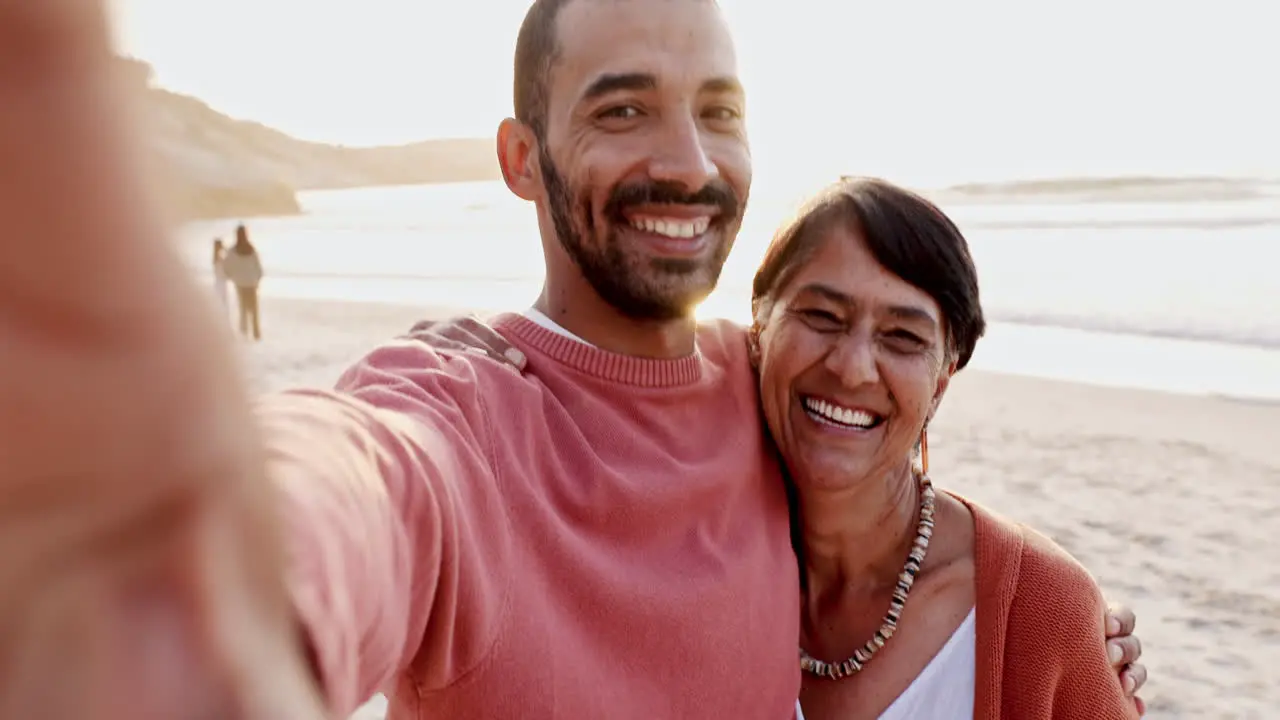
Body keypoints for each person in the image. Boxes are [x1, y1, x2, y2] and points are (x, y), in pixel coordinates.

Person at [0, 2, 1146, 719]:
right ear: (518, 156)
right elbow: (357, 478)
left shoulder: (764, 386)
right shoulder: (456, 414)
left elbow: (867, 433)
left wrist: (1051, 614)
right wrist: (216, 586)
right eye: (621, 110)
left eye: (718, 110)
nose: (686, 162)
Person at [747, 178, 1140, 719]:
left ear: (941, 381)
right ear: (759, 325)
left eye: (903, 337)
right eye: (821, 316)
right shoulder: (692, 560)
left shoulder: (1042, 611)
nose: (852, 367)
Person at [222, 223, 263, 341]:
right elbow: (258, 266)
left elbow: (226, 267)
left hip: (240, 283)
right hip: (252, 282)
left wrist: (231, 276)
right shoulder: (251, 248)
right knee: (254, 310)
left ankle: (244, 332)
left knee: (243, 308)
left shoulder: (232, 251)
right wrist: (258, 278)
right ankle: (256, 334)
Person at [212, 238, 229, 313]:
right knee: (223, 301)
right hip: (221, 282)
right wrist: (224, 248)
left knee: (221, 301)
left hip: (219, 282)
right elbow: (229, 255)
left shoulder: (216, 257)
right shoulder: (218, 258)